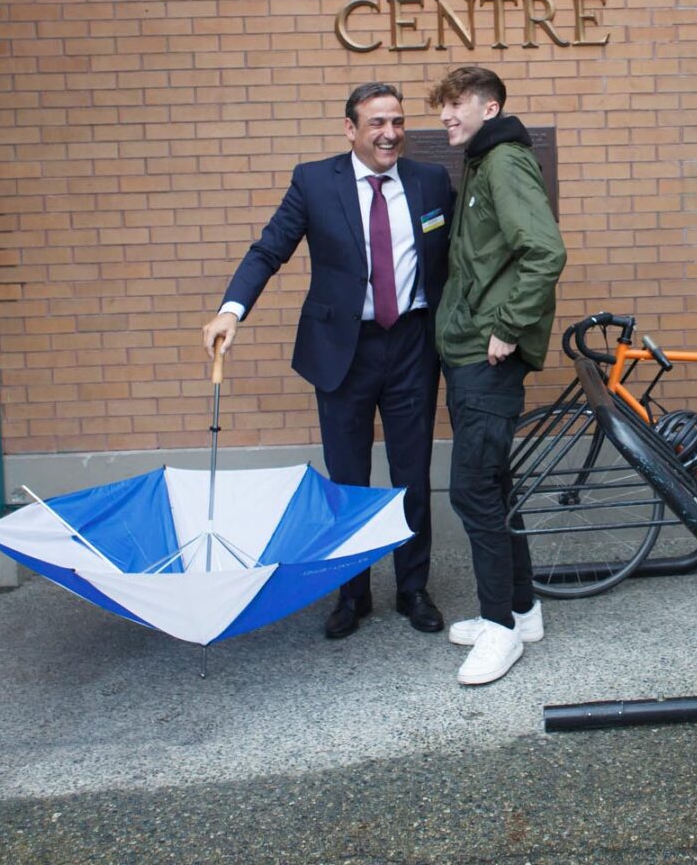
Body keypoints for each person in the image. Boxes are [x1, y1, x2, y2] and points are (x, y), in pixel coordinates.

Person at [202, 83, 454, 640]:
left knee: (412, 475)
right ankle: (352, 593)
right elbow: (269, 248)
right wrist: (231, 310)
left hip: (413, 345)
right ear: (350, 129)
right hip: (344, 350)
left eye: (397, 121)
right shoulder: (315, 182)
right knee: (347, 479)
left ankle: (413, 588)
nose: (389, 133)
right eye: (376, 123)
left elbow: (458, 253)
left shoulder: (431, 181)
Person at [429, 66, 567, 686]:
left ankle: (499, 629)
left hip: (487, 357)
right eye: (442, 106)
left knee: (473, 491)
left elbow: (546, 251)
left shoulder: (504, 163)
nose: (445, 116)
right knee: (494, 486)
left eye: (456, 104)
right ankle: (520, 611)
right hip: (469, 351)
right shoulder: (483, 161)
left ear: (490, 107)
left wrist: (508, 326)